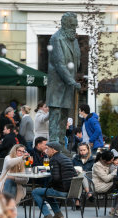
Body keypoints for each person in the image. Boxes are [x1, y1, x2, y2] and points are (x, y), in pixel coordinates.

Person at [47, 12, 81, 144]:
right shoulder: (56, 39)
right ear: (65, 25)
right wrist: (72, 81)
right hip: (57, 85)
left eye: (76, 25)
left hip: (68, 86)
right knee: (56, 113)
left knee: (64, 115)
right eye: (72, 25)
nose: (74, 28)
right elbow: (59, 64)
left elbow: (76, 62)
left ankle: (61, 142)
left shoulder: (74, 41)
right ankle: (54, 142)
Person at [32, 142, 76, 218]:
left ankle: (47, 215)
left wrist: (49, 185)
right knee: (47, 192)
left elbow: (56, 178)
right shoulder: (67, 158)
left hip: (61, 191)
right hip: (70, 191)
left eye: (47, 149)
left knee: (35, 192)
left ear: (53, 150)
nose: (46, 151)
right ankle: (58, 214)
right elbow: (75, 174)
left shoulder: (53, 159)